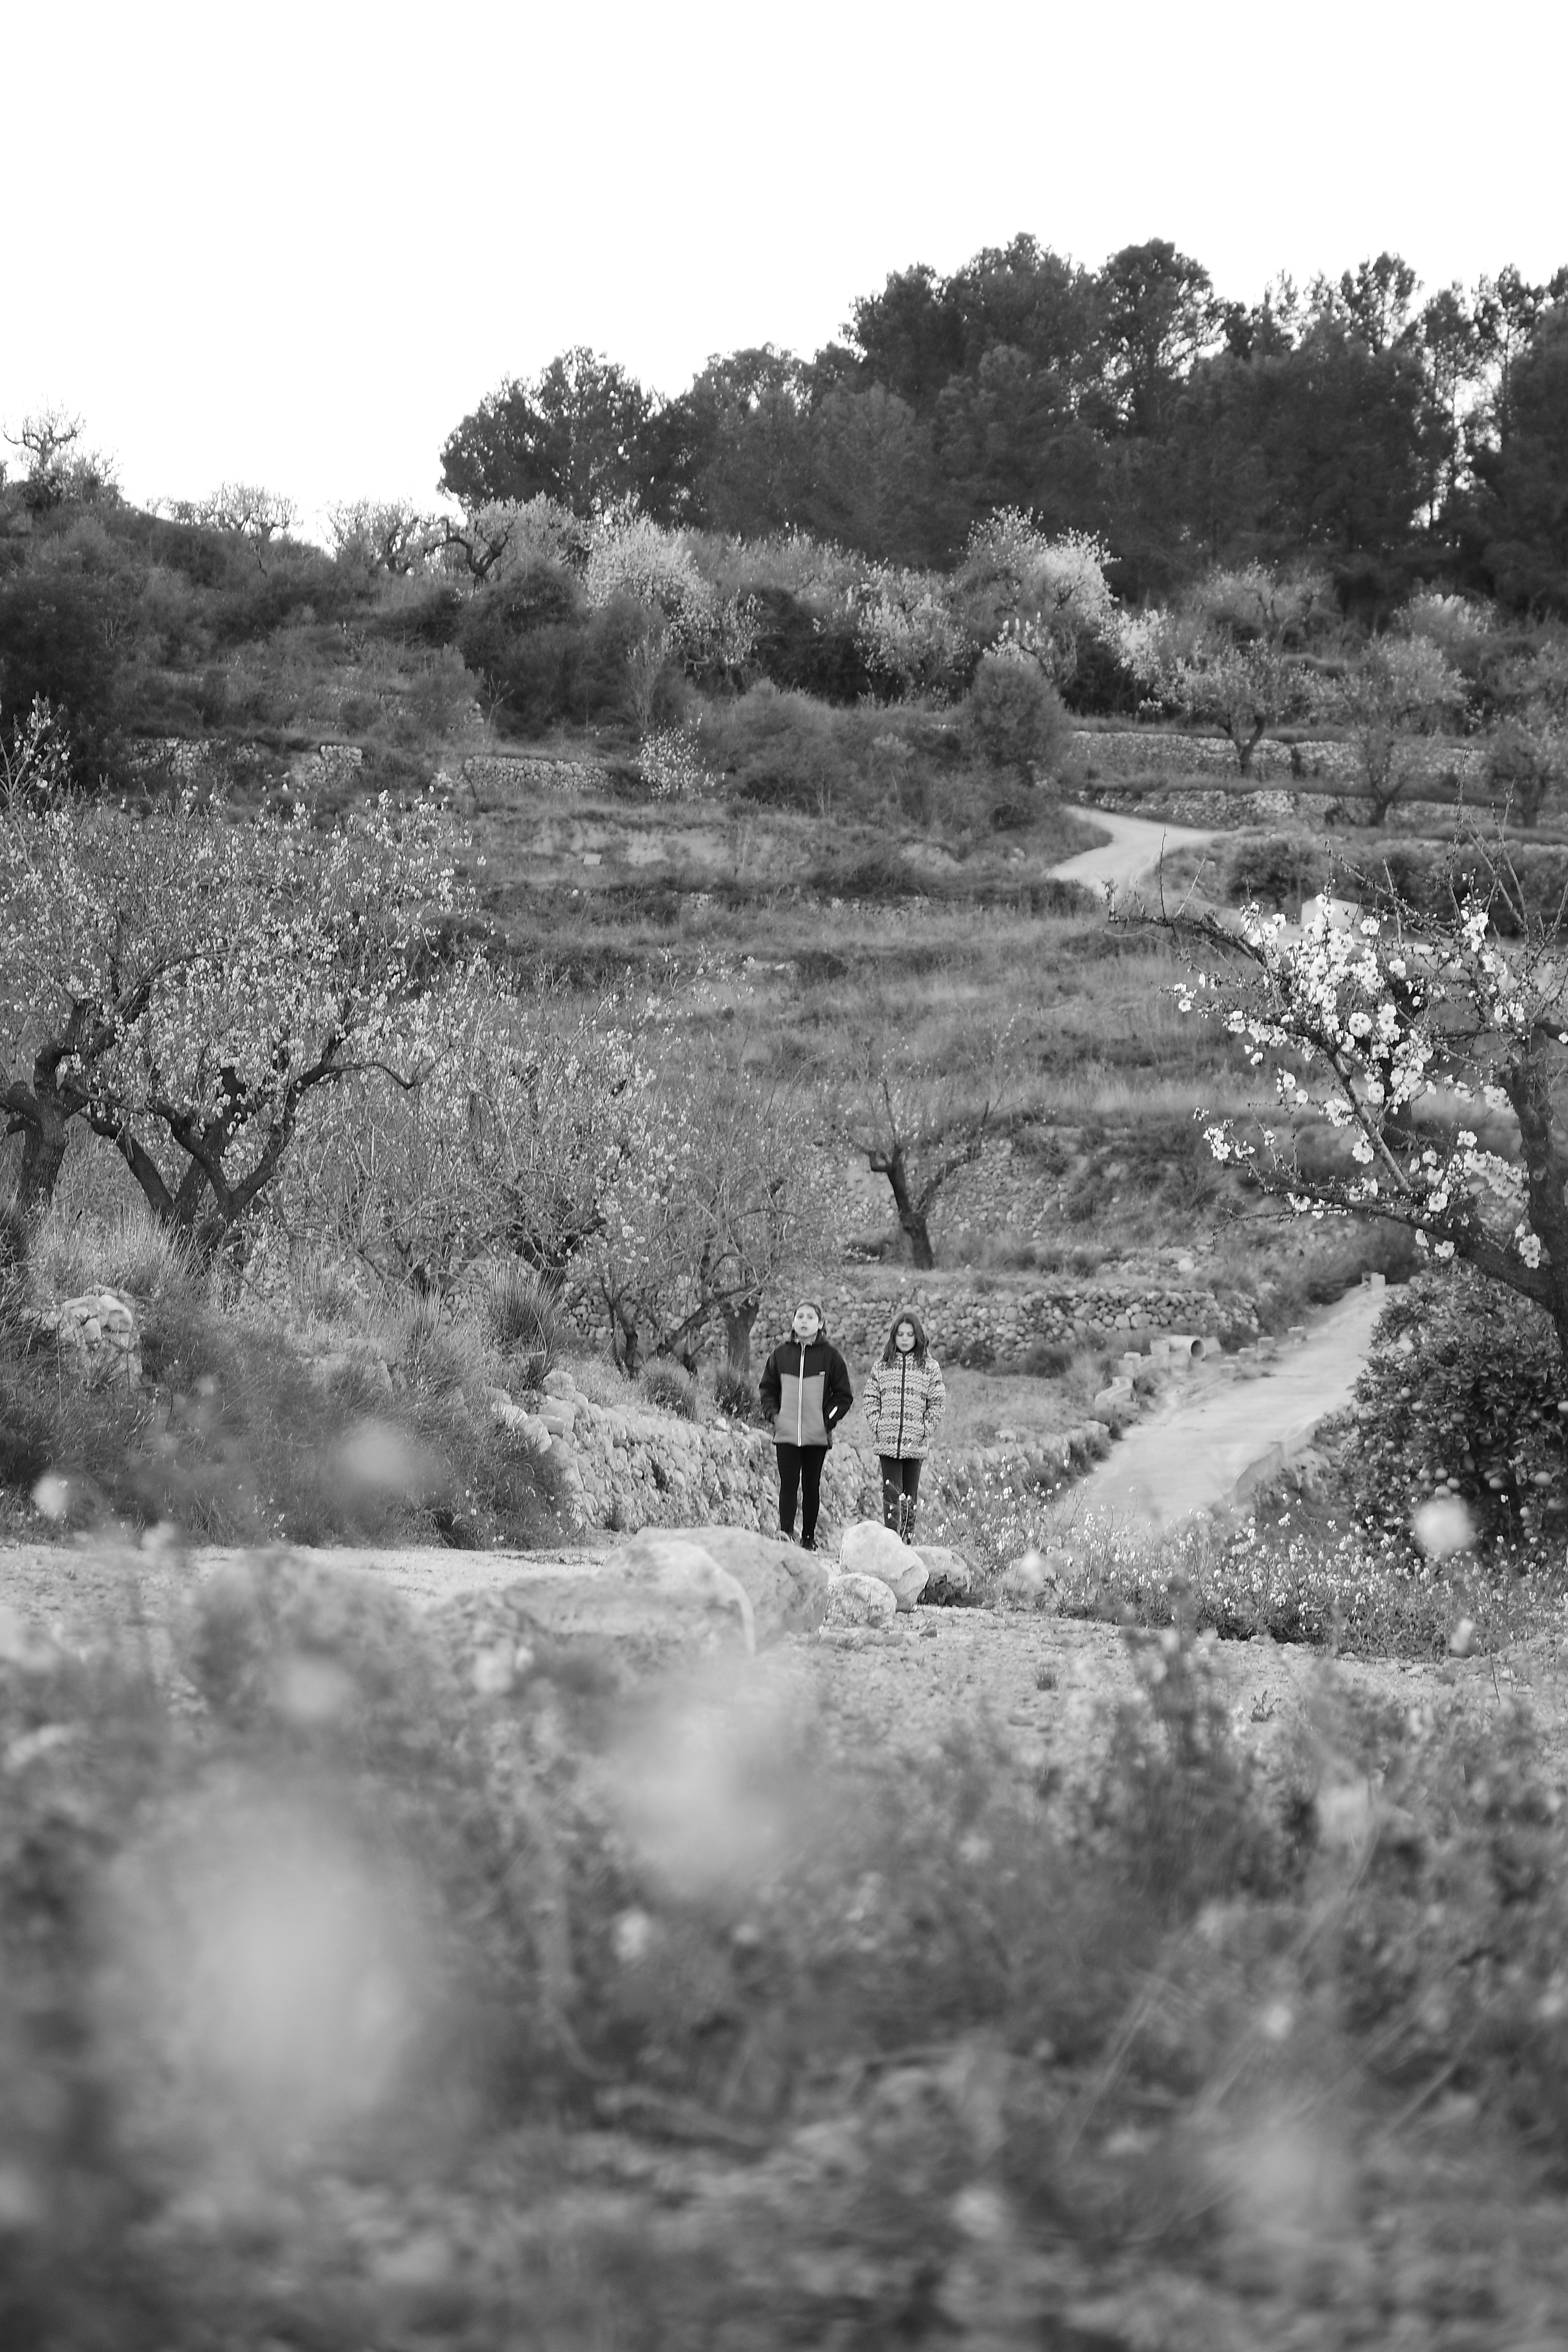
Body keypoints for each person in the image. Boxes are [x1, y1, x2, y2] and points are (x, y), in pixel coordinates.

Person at [758, 1300, 853, 1551]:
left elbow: (844, 1396)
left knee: (811, 1486)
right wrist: (775, 1417)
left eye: (810, 1317)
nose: (804, 1321)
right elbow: (767, 1389)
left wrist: (827, 1421)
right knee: (788, 1484)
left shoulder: (831, 1357)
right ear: (793, 1322)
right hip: (787, 1434)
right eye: (800, 1316)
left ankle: (808, 1540)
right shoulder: (781, 1354)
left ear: (820, 1324)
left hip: (816, 1436)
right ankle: (785, 1536)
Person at [859, 1310, 946, 1542]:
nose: (905, 1339)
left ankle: (907, 1542)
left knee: (909, 1496)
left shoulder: (929, 1367)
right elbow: (870, 1397)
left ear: (918, 1337)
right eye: (900, 1334)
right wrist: (878, 1424)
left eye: (910, 1334)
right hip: (887, 1443)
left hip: (915, 1445)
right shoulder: (883, 1365)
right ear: (894, 1337)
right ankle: (892, 1542)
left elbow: (938, 1402)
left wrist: (924, 1429)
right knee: (891, 1494)